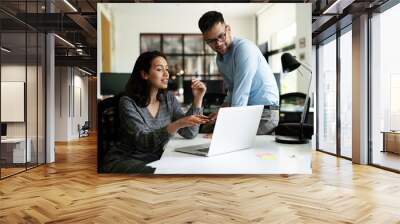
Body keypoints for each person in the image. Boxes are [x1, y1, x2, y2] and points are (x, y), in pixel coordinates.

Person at [104, 51, 209, 173]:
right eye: (159, 69)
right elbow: (143, 143)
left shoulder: (168, 99)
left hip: (155, 159)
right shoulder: (128, 102)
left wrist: (198, 98)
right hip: (126, 159)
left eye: (167, 69)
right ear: (144, 74)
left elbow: (190, 133)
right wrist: (177, 124)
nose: (166, 74)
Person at [198, 11, 280, 135]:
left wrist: (229, 123)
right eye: (212, 41)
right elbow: (232, 89)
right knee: (206, 129)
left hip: (264, 114)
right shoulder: (220, 59)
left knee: (225, 137)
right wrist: (221, 111)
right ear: (205, 40)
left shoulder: (244, 49)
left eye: (221, 36)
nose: (218, 43)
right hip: (246, 111)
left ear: (228, 29)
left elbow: (242, 92)